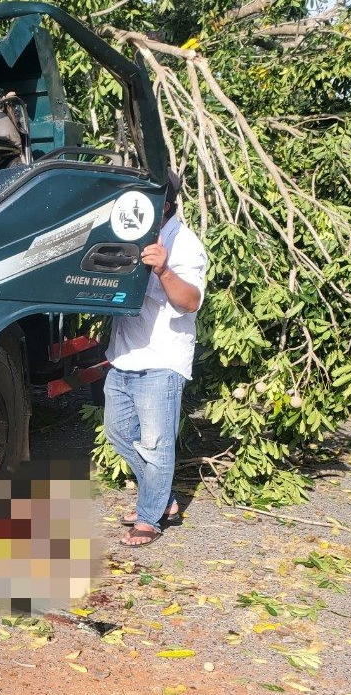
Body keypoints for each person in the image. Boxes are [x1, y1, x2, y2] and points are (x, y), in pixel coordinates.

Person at [103, 170, 208, 547]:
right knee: (118, 435)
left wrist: (163, 269)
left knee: (157, 444)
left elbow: (190, 301)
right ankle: (163, 500)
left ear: (163, 204)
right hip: (124, 357)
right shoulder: (130, 233)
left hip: (162, 360)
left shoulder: (185, 244)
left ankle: (149, 518)